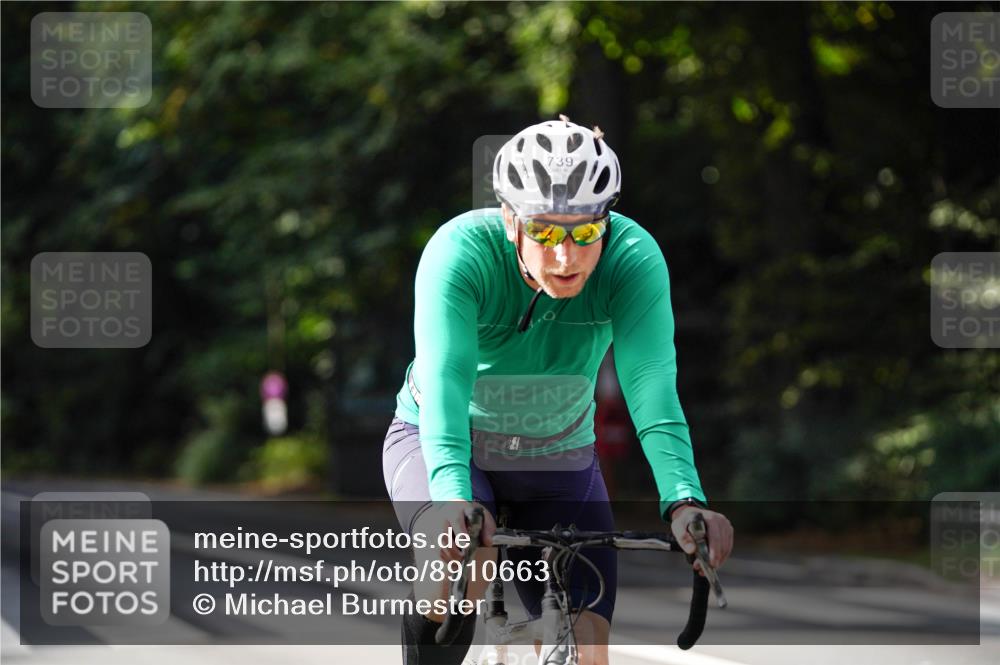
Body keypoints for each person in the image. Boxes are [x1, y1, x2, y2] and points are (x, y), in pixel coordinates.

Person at [382, 116, 734, 665]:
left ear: (605, 222)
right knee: (456, 577)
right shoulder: (459, 251)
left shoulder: (632, 259)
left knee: (587, 645)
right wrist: (454, 498)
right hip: (445, 439)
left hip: (556, 453)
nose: (566, 256)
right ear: (510, 220)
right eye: (544, 232)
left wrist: (685, 501)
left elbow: (651, 387)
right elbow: (447, 378)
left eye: (584, 233)